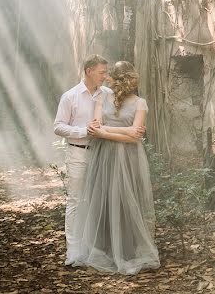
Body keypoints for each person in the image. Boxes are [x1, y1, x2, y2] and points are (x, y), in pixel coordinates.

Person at [68, 60, 160, 274]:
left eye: (110, 75)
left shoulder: (140, 103)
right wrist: (123, 131)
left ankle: (126, 251)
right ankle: (103, 249)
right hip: (104, 156)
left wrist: (104, 133)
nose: (106, 77)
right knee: (102, 198)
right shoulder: (103, 97)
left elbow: (133, 138)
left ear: (119, 80)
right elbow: (105, 127)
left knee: (126, 200)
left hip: (128, 157)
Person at [54, 54, 145, 265]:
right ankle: (74, 253)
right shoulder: (70, 96)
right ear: (89, 71)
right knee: (76, 201)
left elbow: (126, 111)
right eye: (102, 72)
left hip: (103, 154)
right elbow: (58, 126)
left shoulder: (108, 94)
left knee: (98, 201)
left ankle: (97, 248)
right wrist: (83, 130)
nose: (105, 77)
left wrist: (135, 128)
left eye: (107, 73)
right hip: (79, 152)